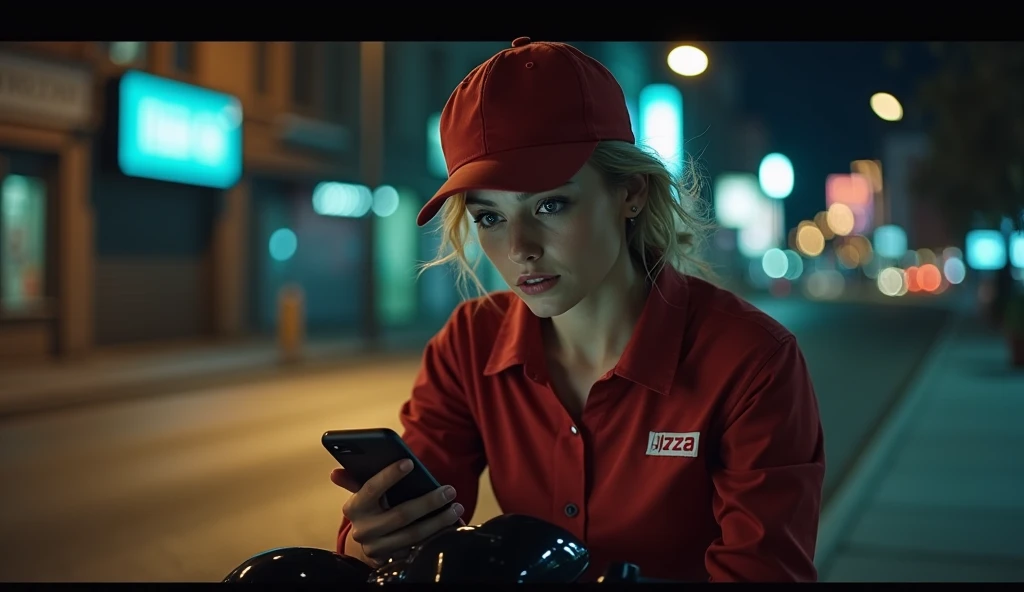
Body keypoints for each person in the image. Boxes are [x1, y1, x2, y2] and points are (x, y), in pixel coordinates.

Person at [329, 38, 826, 583]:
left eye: (549, 204)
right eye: (489, 217)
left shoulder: (752, 361)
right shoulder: (470, 343)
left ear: (631, 192)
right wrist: (376, 534)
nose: (519, 247)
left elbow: (764, 573)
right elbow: (418, 526)